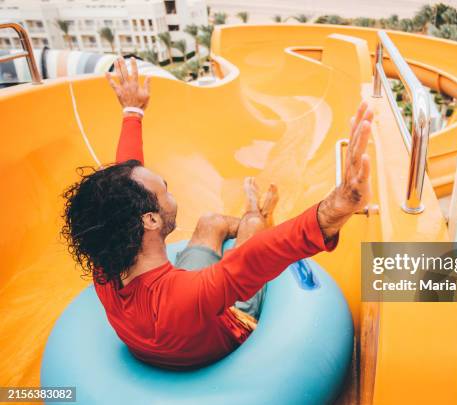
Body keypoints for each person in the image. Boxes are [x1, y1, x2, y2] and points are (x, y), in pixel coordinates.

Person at [61, 57, 374, 370]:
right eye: (165, 188)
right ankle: (257, 212)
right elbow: (258, 258)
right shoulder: (185, 297)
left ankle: (254, 213)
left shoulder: (105, 269)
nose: (171, 192)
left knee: (210, 222)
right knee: (252, 226)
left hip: (174, 329)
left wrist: (133, 112)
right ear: (151, 219)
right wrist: (340, 204)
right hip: (229, 328)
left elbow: (118, 189)